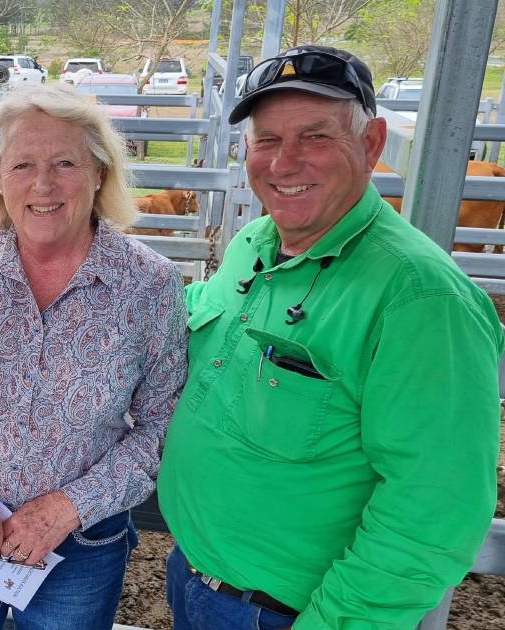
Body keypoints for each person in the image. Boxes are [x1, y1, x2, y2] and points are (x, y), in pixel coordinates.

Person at [159, 45, 502, 629]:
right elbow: (191, 317)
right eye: (266, 140)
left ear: (371, 145)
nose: (284, 163)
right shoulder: (254, 243)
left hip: (288, 614)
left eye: (315, 136)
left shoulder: (421, 301)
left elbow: (430, 515)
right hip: (192, 577)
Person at [0, 82, 188, 628]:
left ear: (99, 174)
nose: (43, 184)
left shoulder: (149, 284)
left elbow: (161, 428)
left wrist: (68, 507)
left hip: (80, 543)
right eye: (22, 164)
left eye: (65, 163)